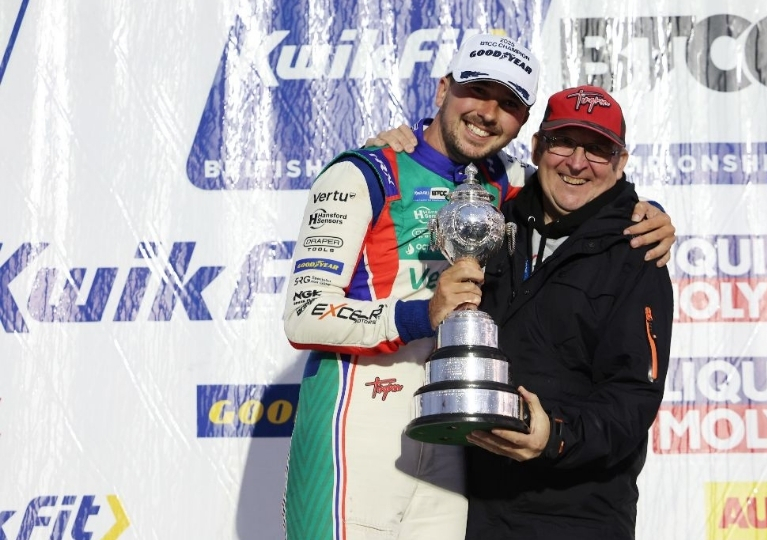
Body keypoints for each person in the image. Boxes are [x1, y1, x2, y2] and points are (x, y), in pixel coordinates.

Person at [282, 34, 674, 540]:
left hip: (455, 445)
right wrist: (422, 314)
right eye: (477, 91)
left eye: (508, 103)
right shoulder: (365, 173)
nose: (489, 113)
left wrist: (649, 214)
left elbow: (588, 188)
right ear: (443, 88)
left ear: (524, 124)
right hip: (357, 429)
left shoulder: (510, 184)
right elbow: (304, 314)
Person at [430, 85, 674, 539]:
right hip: (475, 510)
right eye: (563, 142)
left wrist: (555, 436)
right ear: (538, 147)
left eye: (597, 150)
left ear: (620, 162)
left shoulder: (638, 251)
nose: (577, 163)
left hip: (577, 515)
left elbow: (633, 397)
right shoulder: (494, 224)